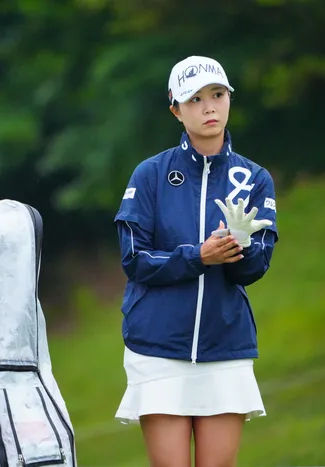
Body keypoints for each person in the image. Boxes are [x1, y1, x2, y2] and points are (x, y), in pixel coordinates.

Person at [113, 55, 279, 467]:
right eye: (195, 99)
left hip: (225, 344)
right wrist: (198, 257)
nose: (209, 107)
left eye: (217, 95)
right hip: (158, 345)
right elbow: (134, 258)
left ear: (229, 99)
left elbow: (254, 269)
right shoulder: (150, 174)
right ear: (176, 109)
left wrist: (239, 247)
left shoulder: (255, 178)